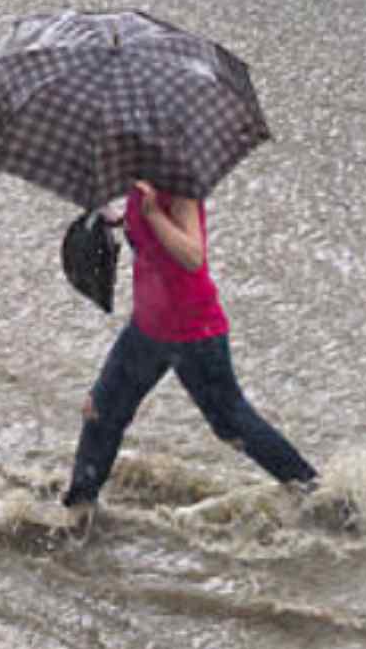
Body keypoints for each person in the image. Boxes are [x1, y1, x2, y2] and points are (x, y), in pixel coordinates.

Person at [60, 179, 319, 525]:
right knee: (101, 412)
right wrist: (114, 218)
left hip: (193, 331)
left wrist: (154, 215)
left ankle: (311, 491)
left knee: (230, 423)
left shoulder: (178, 185)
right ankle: (79, 511)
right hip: (148, 327)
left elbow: (193, 256)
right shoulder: (140, 181)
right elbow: (144, 234)